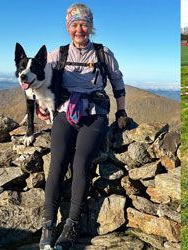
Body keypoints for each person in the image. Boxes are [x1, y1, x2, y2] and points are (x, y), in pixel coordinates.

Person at [38, 3, 128, 250]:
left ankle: (70, 226)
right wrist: (40, 104)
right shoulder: (58, 54)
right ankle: (47, 226)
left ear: (91, 27)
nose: (80, 30)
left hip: (94, 113)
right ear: (68, 28)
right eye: (75, 25)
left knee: (80, 162)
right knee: (57, 163)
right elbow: (38, 78)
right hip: (65, 111)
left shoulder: (102, 53)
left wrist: (121, 110)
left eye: (84, 25)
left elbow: (117, 81)